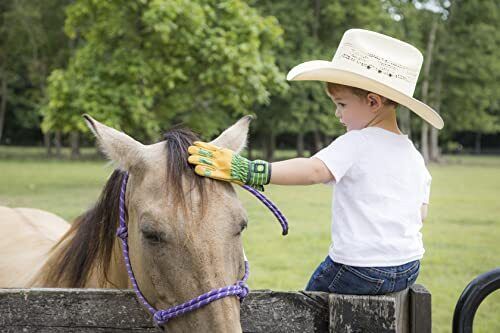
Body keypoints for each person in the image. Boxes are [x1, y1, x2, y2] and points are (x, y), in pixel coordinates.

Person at [187, 29, 444, 295]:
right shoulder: (412, 154)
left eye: (342, 104)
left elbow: (314, 170)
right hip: (408, 266)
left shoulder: (358, 141)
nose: (337, 113)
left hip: (360, 269)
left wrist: (251, 170)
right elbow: (420, 213)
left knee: (306, 308)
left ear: (373, 102)